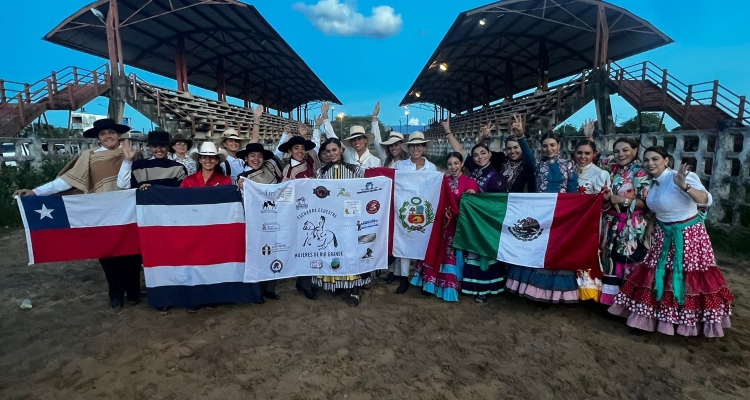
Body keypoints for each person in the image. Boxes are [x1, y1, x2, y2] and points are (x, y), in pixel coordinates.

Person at [14, 118, 142, 309]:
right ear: (98, 138)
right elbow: (66, 182)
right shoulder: (88, 156)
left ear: (118, 134)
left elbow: (130, 183)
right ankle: (115, 293)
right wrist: (36, 192)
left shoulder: (133, 154)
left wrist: (127, 161)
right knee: (107, 254)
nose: (108, 136)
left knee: (132, 252)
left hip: (129, 210)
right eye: (103, 133)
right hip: (101, 212)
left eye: (111, 132)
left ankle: (133, 292)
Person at [609, 146, 733, 337]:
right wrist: (652, 222)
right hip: (662, 233)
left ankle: (688, 323)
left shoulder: (681, 177)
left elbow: (706, 200)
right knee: (657, 275)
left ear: (666, 161)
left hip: (688, 236)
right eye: (647, 160)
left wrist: (684, 185)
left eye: (655, 159)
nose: (650, 163)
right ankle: (649, 320)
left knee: (685, 278)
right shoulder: (654, 182)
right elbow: (660, 207)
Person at [444, 114, 535, 302]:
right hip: (473, 220)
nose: (479, 157)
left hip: (488, 219)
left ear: (491, 155)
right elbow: (459, 151)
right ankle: (471, 285)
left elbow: (495, 201)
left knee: (485, 254)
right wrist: (449, 132)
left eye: (483, 153)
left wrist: (476, 197)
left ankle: (485, 289)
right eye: (476, 155)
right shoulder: (474, 170)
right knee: (473, 252)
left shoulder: (497, 176)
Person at [505, 130, 580, 305]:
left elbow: (573, 192)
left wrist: (571, 215)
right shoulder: (537, 164)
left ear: (559, 145)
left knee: (555, 251)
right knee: (536, 250)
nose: (548, 149)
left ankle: (552, 293)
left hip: (561, 214)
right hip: (540, 214)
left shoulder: (569, 165)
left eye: (552, 145)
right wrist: (521, 136)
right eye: (545, 146)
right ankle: (531, 289)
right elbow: (528, 154)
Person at [411, 152, 478, 301]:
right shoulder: (443, 181)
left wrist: (472, 196)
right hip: (440, 225)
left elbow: (474, 207)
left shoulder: (470, 183)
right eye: (449, 164)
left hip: (458, 227)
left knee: (449, 256)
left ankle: (449, 285)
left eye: (456, 163)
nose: (453, 167)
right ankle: (429, 283)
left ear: (462, 164)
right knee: (435, 251)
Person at [313, 138, 370, 307]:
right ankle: (338, 283)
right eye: (328, 151)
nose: (331, 154)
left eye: (334, 150)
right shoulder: (320, 173)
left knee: (352, 252)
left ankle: (355, 290)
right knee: (333, 251)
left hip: (351, 221)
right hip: (331, 220)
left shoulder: (356, 170)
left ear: (341, 150)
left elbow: (364, 193)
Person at [273, 118, 322, 301]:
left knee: (311, 245)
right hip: (296, 213)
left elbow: (314, 153)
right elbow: (283, 193)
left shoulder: (309, 163)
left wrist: (303, 136)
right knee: (301, 247)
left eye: (302, 148)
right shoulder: (286, 171)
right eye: (296, 148)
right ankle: (304, 282)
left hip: (312, 210)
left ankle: (304, 282)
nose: (300, 151)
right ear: (290, 151)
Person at [599, 137, 652, 305]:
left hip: (632, 224)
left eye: (625, 150)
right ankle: (611, 302)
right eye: (617, 151)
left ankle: (630, 303)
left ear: (635, 151)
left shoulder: (641, 172)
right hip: (610, 223)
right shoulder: (613, 170)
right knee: (609, 261)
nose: (621, 154)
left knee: (630, 262)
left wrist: (623, 200)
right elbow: (597, 158)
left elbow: (648, 203)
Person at [390, 131, 437, 294]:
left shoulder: (432, 168)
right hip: (404, 211)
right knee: (404, 241)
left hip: (424, 211)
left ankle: (423, 277)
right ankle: (404, 278)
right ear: (408, 148)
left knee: (423, 242)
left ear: (424, 148)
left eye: (419, 145)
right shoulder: (400, 166)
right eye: (413, 145)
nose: (416, 148)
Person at [574, 120, 611, 301]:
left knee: (588, 254)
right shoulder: (570, 170)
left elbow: (603, 202)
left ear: (594, 154)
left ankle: (589, 292)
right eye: (579, 153)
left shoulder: (600, 174)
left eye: (587, 153)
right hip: (571, 220)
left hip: (590, 222)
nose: (583, 156)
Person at [117, 131, 187, 189]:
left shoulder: (178, 169)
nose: (159, 149)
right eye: (155, 146)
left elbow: (180, 192)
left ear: (168, 147)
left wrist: (153, 189)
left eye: (162, 146)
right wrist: (127, 160)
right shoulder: (138, 166)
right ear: (150, 147)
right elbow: (123, 185)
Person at [322, 102, 381, 168]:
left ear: (365, 140)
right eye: (353, 140)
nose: (356, 142)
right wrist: (325, 116)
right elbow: (333, 138)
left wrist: (374, 117)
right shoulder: (347, 153)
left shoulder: (375, 162)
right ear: (351, 142)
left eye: (359, 138)